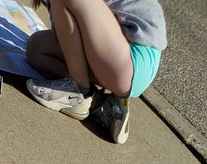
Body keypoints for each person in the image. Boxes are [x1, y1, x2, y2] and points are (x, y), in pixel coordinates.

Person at [24, 0, 167, 144]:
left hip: (134, 58)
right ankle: (100, 102)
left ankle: (77, 90)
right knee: (37, 48)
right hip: (118, 55)